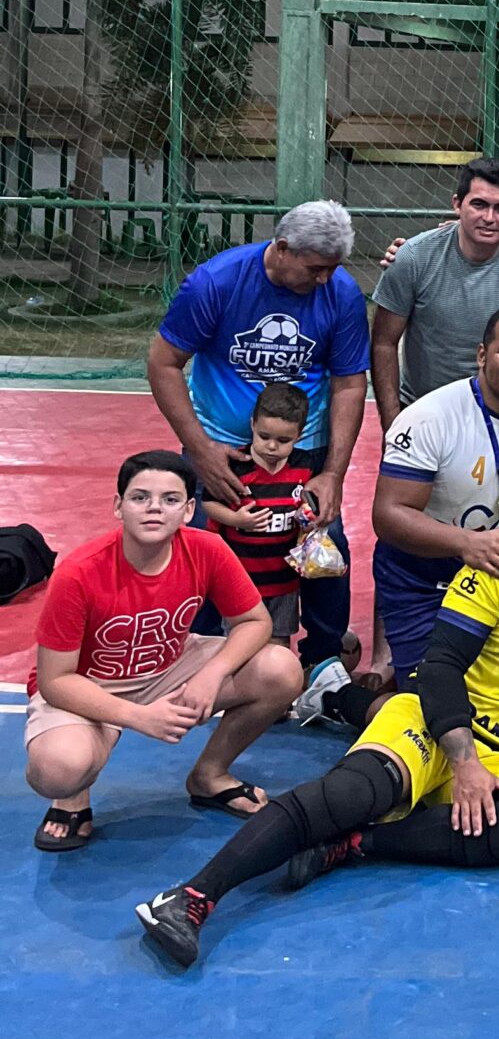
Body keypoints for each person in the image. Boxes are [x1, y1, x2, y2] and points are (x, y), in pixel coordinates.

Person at [134, 461, 499, 969]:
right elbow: (440, 667)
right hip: (431, 722)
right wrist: (464, 762)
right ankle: (191, 897)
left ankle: (354, 845)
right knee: (350, 793)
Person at [26, 450, 304, 850]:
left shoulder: (207, 549)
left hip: (170, 665)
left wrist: (212, 674)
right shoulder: (78, 573)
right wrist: (137, 716)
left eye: (170, 499)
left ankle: (209, 775)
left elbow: (255, 621)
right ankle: (72, 796)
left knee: (281, 669)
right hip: (88, 684)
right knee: (59, 769)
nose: (154, 508)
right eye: (140, 497)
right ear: (118, 506)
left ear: (189, 510)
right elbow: (54, 680)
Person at [146, 200, 369, 662]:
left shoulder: (341, 293)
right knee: (204, 540)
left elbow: (349, 383)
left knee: (326, 541)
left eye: (332, 269)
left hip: (304, 449)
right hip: (221, 447)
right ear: (282, 248)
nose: (324, 279)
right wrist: (200, 448)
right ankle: (202, 649)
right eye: (315, 269)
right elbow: (163, 362)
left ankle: (324, 655)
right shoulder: (216, 283)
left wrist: (333, 473)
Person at [368, 305, 499, 695]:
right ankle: (341, 698)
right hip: (420, 575)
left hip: (497, 573)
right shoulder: (430, 417)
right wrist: (467, 543)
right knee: (433, 703)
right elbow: (388, 515)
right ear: (482, 355)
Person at [370, 159, 499, 422]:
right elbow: (383, 343)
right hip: (420, 408)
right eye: (479, 204)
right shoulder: (414, 257)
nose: (489, 218)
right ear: (457, 204)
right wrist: (393, 423)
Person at [195, 379, 334, 645]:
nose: (272, 446)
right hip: (240, 581)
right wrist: (235, 519)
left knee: (279, 643)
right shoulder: (236, 468)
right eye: (264, 437)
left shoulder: (305, 467)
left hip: (284, 582)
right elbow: (209, 503)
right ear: (252, 425)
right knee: (238, 643)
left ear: (300, 435)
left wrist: (308, 519)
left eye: (283, 440)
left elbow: (311, 507)